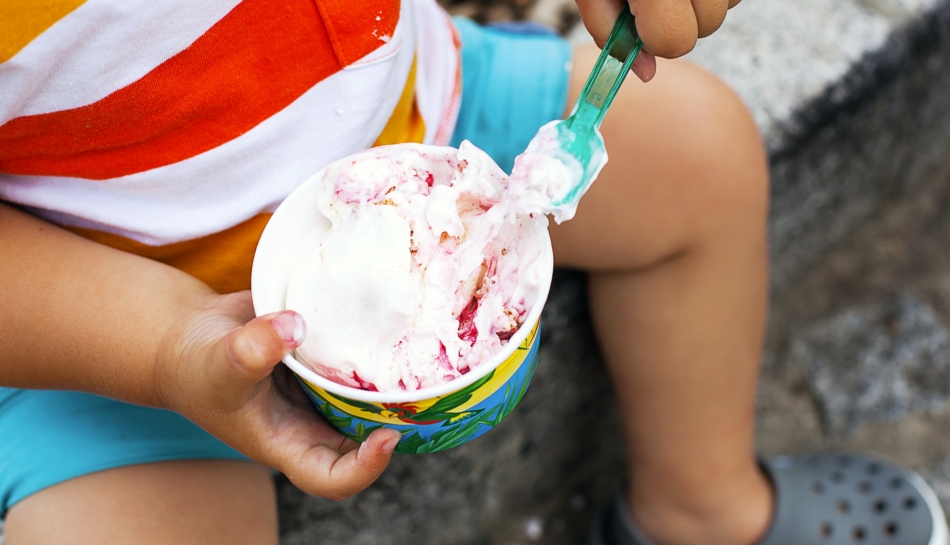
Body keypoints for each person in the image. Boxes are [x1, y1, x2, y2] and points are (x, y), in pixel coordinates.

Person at [0, 0, 943, 544]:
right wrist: (161, 344)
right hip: (111, 319)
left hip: (426, 125)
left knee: (703, 153)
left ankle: (699, 507)